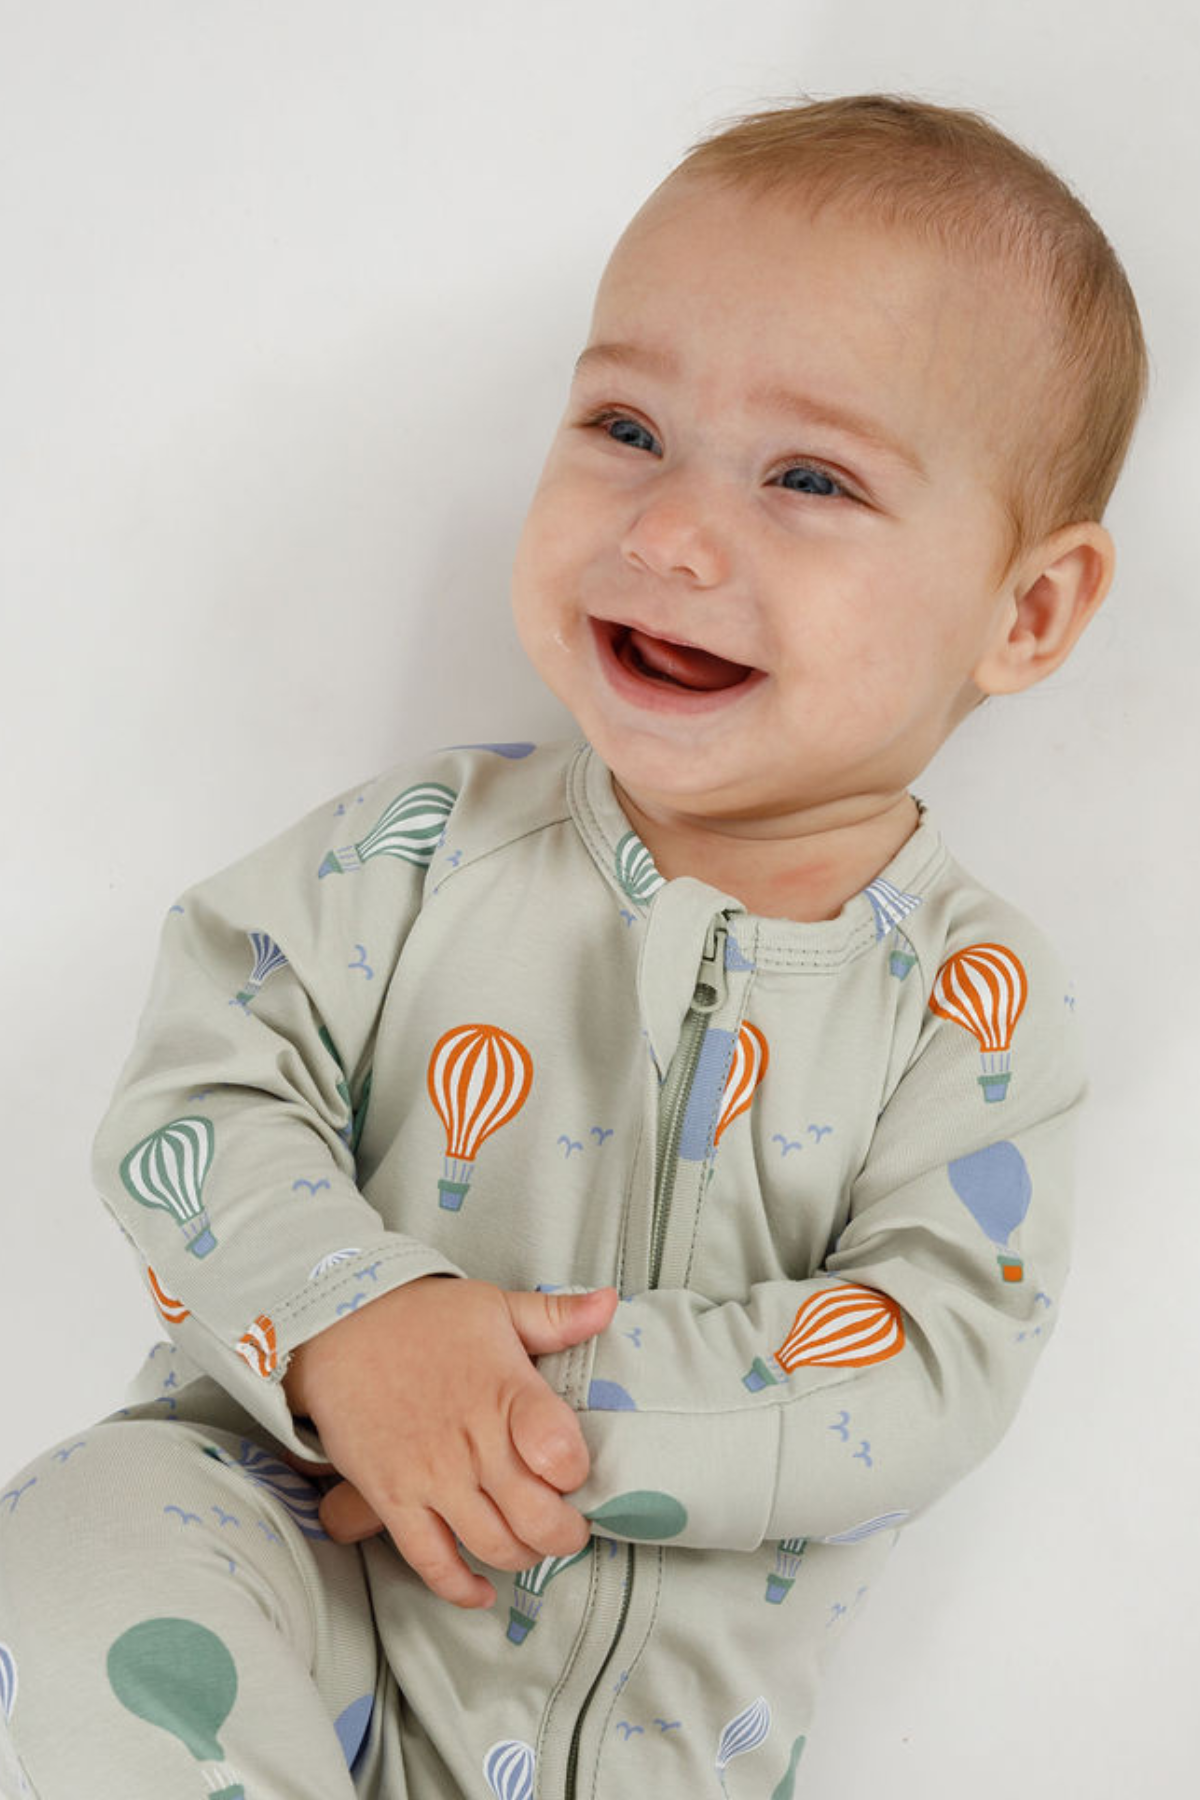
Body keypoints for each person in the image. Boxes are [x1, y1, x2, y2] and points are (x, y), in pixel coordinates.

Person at [0, 94, 1147, 1800]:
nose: (669, 531)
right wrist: (358, 1326)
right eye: (626, 427)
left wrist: (507, 1412)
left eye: (809, 477)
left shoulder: (972, 1008)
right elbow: (200, 1083)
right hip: (292, 1580)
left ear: (1028, 610)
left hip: (649, 1754)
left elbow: (927, 1363)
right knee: (75, 1539)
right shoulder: (417, 855)